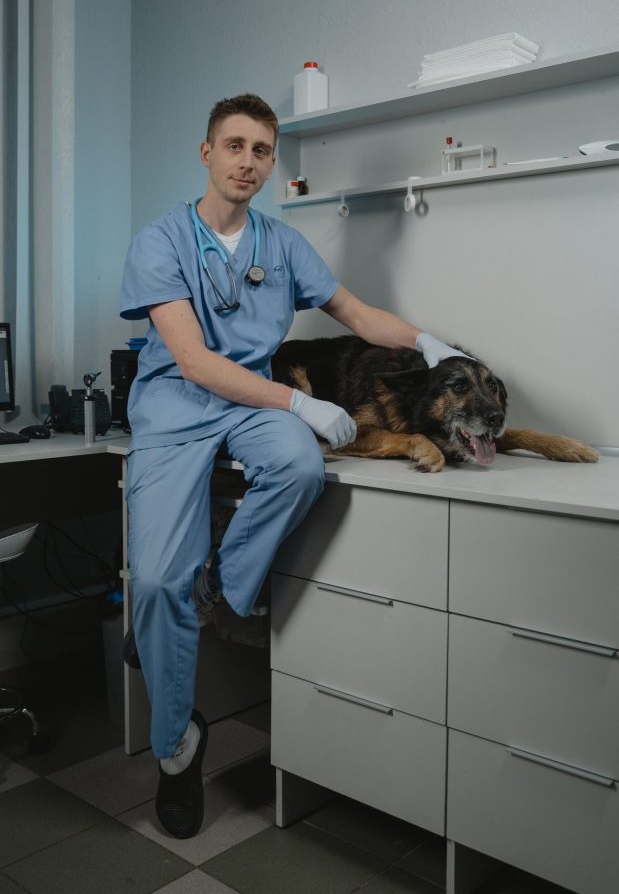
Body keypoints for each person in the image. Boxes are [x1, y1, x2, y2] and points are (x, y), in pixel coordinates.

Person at [119, 93, 465, 839]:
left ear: (273, 164)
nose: (248, 161)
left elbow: (356, 313)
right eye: (235, 145)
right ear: (206, 153)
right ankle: (177, 751)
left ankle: (217, 588)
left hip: (253, 407)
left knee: (303, 472)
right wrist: (300, 404)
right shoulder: (159, 241)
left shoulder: (280, 245)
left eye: (262, 150)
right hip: (179, 406)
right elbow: (192, 360)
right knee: (151, 581)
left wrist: (431, 344)